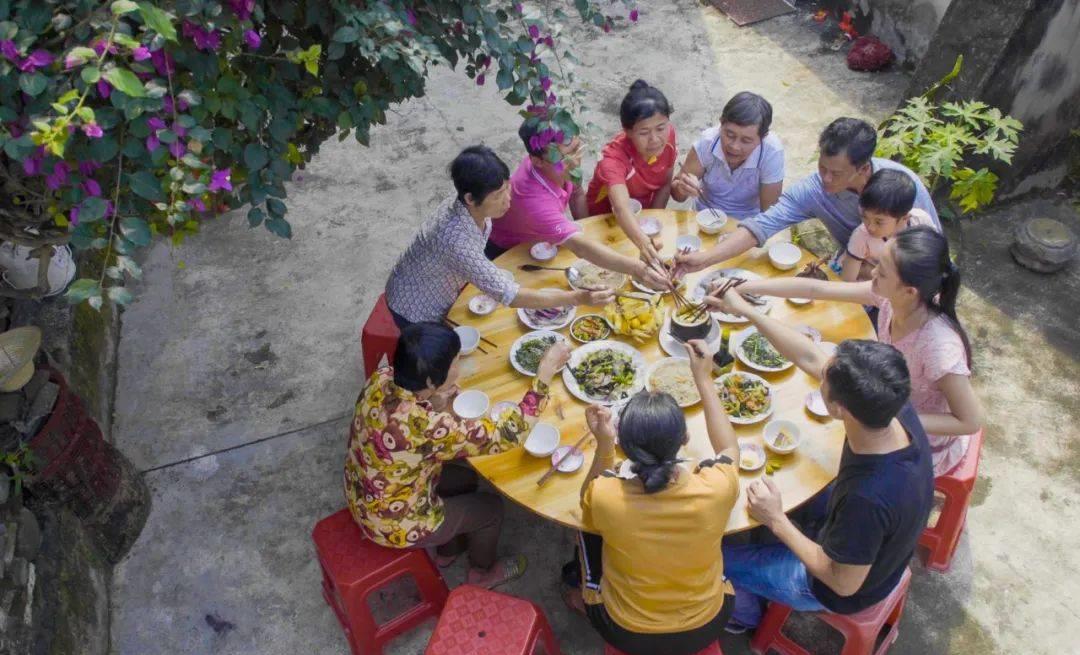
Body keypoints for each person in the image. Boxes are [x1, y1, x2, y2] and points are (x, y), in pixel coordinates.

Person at [704, 288, 934, 630]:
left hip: (832, 587)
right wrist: (747, 312)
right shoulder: (889, 404)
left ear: (838, 409)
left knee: (708, 556)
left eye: (824, 381)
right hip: (862, 537)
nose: (818, 371)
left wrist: (776, 519)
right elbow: (811, 358)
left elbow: (843, 582)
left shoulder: (869, 497)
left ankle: (744, 615)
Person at [708, 225, 982, 477]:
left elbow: (969, 421)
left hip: (911, 443)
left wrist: (883, 416)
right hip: (876, 410)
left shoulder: (938, 347)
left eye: (882, 271)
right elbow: (817, 287)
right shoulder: (891, 298)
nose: (871, 272)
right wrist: (743, 288)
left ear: (909, 291)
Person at [345, 322, 572, 589]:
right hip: (393, 521)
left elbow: (407, 423)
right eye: (455, 362)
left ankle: (448, 550)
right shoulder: (426, 426)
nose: (458, 367)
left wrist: (433, 402)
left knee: (464, 479)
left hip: (364, 490)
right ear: (431, 380)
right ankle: (482, 573)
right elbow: (510, 434)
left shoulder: (381, 377)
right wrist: (544, 372)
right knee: (492, 508)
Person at [567, 341, 741, 655]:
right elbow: (730, 450)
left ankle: (582, 593)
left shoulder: (606, 495)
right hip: (708, 623)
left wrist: (604, 445)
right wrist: (703, 379)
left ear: (624, 446)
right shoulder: (717, 486)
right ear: (685, 439)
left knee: (586, 530)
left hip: (625, 630)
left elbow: (586, 502)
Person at [385, 145, 614, 328]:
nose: (508, 200)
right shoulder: (456, 240)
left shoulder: (469, 205)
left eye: (507, 188)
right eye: (498, 195)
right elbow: (511, 296)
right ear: (470, 199)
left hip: (444, 283)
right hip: (417, 309)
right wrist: (577, 298)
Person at [676, 117, 940, 274]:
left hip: (904, 276)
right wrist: (703, 260)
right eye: (822, 167)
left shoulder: (903, 188)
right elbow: (762, 225)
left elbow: (931, 254)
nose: (825, 179)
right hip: (853, 271)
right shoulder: (814, 189)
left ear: (863, 168)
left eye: (835, 173)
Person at [485, 122, 671, 289]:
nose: (575, 162)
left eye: (577, 149)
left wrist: (589, 239)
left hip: (545, 239)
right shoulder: (534, 204)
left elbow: (576, 193)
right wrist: (639, 270)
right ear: (537, 161)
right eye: (565, 158)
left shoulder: (557, 165)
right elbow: (581, 248)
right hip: (512, 252)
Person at [585, 80, 678, 266]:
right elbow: (621, 209)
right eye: (644, 132)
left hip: (642, 220)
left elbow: (665, 183)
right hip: (608, 222)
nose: (655, 139)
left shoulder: (668, 135)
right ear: (627, 131)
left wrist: (654, 221)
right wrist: (644, 244)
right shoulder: (612, 160)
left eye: (661, 128)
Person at [670, 91, 785, 219]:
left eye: (746, 141)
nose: (734, 146)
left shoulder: (771, 153)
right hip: (704, 217)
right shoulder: (707, 143)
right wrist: (682, 188)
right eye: (729, 135)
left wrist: (747, 234)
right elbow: (677, 195)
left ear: (762, 137)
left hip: (748, 223)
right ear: (721, 123)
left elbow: (770, 213)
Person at [841, 169, 937, 281]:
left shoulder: (921, 223)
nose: (870, 227)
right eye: (864, 217)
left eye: (879, 222)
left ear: (904, 218)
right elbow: (847, 281)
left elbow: (932, 261)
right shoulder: (861, 236)